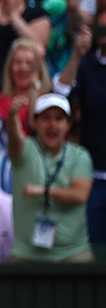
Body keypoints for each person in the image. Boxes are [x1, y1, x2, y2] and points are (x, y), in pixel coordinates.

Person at [6, 94, 94, 262]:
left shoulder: (80, 156)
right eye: (46, 118)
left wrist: (43, 191)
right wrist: (11, 116)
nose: (52, 124)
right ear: (34, 122)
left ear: (67, 125)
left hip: (73, 253)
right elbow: (14, 136)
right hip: (26, 254)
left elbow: (80, 195)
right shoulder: (25, 150)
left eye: (59, 119)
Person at [54, 20, 103, 245]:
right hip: (93, 176)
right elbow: (59, 96)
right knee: (94, 247)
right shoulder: (87, 64)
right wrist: (76, 55)